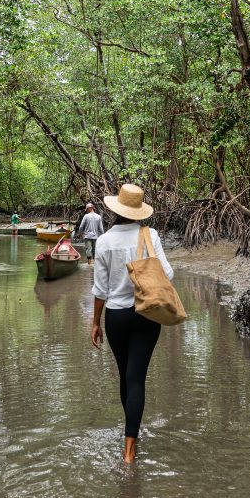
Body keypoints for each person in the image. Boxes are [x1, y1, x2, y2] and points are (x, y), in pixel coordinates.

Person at [91, 183, 174, 463]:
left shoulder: (104, 241)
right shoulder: (150, 235)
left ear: (116, 209)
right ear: (139, 210)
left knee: (125, 376)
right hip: (146, 314)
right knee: (136, 377)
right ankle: (130, 449)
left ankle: (130, 435)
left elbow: (100, 290)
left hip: (116, 316)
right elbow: (168, 274)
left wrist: (95, 323)